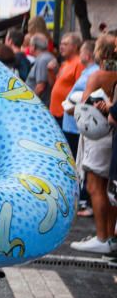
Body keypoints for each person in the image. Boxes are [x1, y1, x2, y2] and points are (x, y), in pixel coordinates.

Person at [70, 34, 117, 254]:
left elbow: (82, 107)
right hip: (112, 136)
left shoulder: (98, 75)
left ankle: (102, 236)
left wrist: (72, 107)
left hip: (98, 136)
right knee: (109, 190)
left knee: (95, 187)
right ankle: (110, 235)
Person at [64, 40, 98, 217]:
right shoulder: (87, 71)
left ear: (88, 54)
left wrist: (73, 107)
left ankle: (83, 200)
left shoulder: (95, 73)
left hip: (80, 125)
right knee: (76, 162)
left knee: (83, 164)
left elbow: (86, 99)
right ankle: (79, 197)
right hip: (73, 123)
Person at [49, 33, 84, 130]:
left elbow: (80, 91)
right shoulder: (65, 63)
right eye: (61, 44)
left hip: (65, 115)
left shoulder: (79, 63)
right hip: (56, 113)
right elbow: (55, 85)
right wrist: (50, 72)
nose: (61, 47)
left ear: (75, 47)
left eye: (65, 44)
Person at [25, 32, 55, 105]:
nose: (29, 47)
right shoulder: (46, 57)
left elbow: (40, 86)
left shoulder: (43, 60)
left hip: (41, 104)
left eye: (30, 45)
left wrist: (30, 102)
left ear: (33, 46)